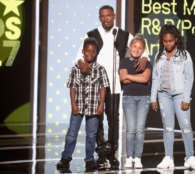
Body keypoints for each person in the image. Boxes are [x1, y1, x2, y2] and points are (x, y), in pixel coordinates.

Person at [75, 5, 149, 169]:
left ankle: (112, 153)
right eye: (102, 16)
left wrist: (144, 57)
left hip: (116, 84)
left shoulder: (123, 34)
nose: (106, 18)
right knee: (97, 119)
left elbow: (140, 48)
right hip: (96, 85)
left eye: (108, 15)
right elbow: (79, 56)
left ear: (114, 16)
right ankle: (101, 152)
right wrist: (81, 63)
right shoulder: (91, 34)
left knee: (113, 119)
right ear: (99, 18)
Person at [150, 24, 195, 170]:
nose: (168, 44)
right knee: (168, 128)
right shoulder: (158, 56)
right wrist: (153, 98)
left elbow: (189, 78)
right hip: (163, 95)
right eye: (165, 41)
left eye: (170, 41)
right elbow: (155, 77)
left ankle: (190, 157)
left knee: (186, 127)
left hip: (180, 95)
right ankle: (168, 157)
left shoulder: (185, 55)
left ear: (176, 40)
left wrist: (186, 98)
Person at [56, 38, 109, 172]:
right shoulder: (75, 69)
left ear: (96, 53)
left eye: (93, 51)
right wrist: (73, 105)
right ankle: (65, 158)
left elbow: (103, 88)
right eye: (87, 51)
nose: (90, 53)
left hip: (93, 107)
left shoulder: (100, 70)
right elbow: (72, 87)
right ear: (83, 52)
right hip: (78, 106)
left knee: (91, 135)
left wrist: (101, 104)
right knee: (71, 134)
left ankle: (89, 160)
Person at [119, 34, 152, 169]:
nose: (136, 50)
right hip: (129, 98)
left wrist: (129, 76)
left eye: (140, 48)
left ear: (143, 50)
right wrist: (137, 76)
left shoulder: (147, 63)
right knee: (131, 130)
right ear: (130, 47)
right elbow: (123, 79)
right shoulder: (124, 61)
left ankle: (138, 157)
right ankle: (129, 157)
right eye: (134, 46)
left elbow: (145, 79)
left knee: (139, 130)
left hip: (144, 98)